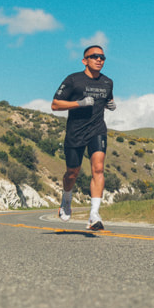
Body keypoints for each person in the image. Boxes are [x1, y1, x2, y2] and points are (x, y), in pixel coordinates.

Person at [51, 45, 115, 230]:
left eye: (102, 57)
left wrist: (110, 105)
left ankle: (94, 215)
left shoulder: (108, 82)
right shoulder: (73, 79)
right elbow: (55, 105)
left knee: (98, 168)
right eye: (94, 56)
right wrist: (78, 103)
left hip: (97, 130)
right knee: (72, 173)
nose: (99, 59)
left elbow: (107, 100)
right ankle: (66, 199)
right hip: (75, 132)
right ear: (84, 60)